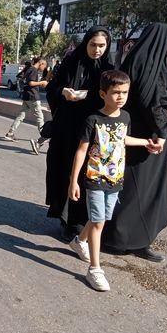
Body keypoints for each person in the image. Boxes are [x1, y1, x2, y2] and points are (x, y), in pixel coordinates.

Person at [67, 70, 152, 291]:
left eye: (124, 92)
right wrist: (73, 181)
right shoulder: (93, 119)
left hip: (116, 179)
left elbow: (123, 139)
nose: (121, 97)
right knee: (98, 222)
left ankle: (79, 241)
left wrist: (145, 142)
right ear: (103, 94)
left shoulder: (125, 117)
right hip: (94, 178)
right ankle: (95, 269)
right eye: (115, 93)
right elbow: (81, 151)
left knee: (101, 217)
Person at [103, 23, 167, 262]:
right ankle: (133, 241)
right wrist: (162, 133)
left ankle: (119, 237)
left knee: (130, 189)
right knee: (142, 191)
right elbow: (150, 103)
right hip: (149, 139)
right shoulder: (151, 65)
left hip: (133, 134)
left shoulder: (136, 59)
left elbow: (151, 100)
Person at [45, 26, 113, 241]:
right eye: (93, 45)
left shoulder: (108, 69)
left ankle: (83, 219)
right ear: (86, 44)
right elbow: (52, 88)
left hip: (92, 130)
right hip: (67, 129)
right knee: (66, 170)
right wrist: (62, 92)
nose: (97, 50)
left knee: (88, 174)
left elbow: (111, 97)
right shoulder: (70, 63)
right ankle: (68, 220)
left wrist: (90, 96)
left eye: (102, 45)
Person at [4, 57, 48, 154]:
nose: (44, 68)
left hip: (27, 96)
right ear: (41, 63)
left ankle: (10, 132)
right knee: (40, 117)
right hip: (33, 97)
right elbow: (31, 83)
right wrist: (42, 83)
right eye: (44, 66)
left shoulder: (29, 69)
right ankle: (43, 137)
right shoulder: (34, 70)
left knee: (21, 115)